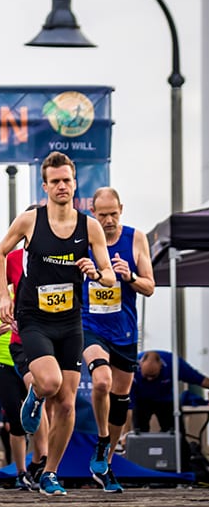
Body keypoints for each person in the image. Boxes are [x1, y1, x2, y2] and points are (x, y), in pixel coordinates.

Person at [0, 151, 114, 497]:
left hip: (70, 321)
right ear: (45, 186)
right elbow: (0, 252)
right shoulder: (31, 220)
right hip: (34, 318)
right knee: (49, 382)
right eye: (55, 181)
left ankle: (49, 473)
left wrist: (97, 273)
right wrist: (4, 296)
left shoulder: (89, 225)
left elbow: (107, 275)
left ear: (75, 184)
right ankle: (34, 395)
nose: (62, 186)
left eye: (67, 180)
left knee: (66, 403)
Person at [82, 187, 155, 492]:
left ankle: (106, 461)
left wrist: (130, 277)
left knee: (120, 399)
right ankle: (101, 438)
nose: (109, 220)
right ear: (93, 213)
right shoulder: (83, 240)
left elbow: (150, 286)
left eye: (113, 213)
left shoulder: (135, 238)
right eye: (103, 214)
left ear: (121, 209)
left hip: (123, 329)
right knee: (101, 381)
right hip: (90, 325)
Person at [132, 350, 209, 433]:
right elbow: (126, 402)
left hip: (165, 400)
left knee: (176, 433)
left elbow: (200, 380)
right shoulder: (131, 367)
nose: (149, 379)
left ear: (161, 365)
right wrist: (125, 433)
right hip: (140, 400)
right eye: (146, 376)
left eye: (153, 376)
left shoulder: (174, 363)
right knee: (138, 432)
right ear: (140, 364)